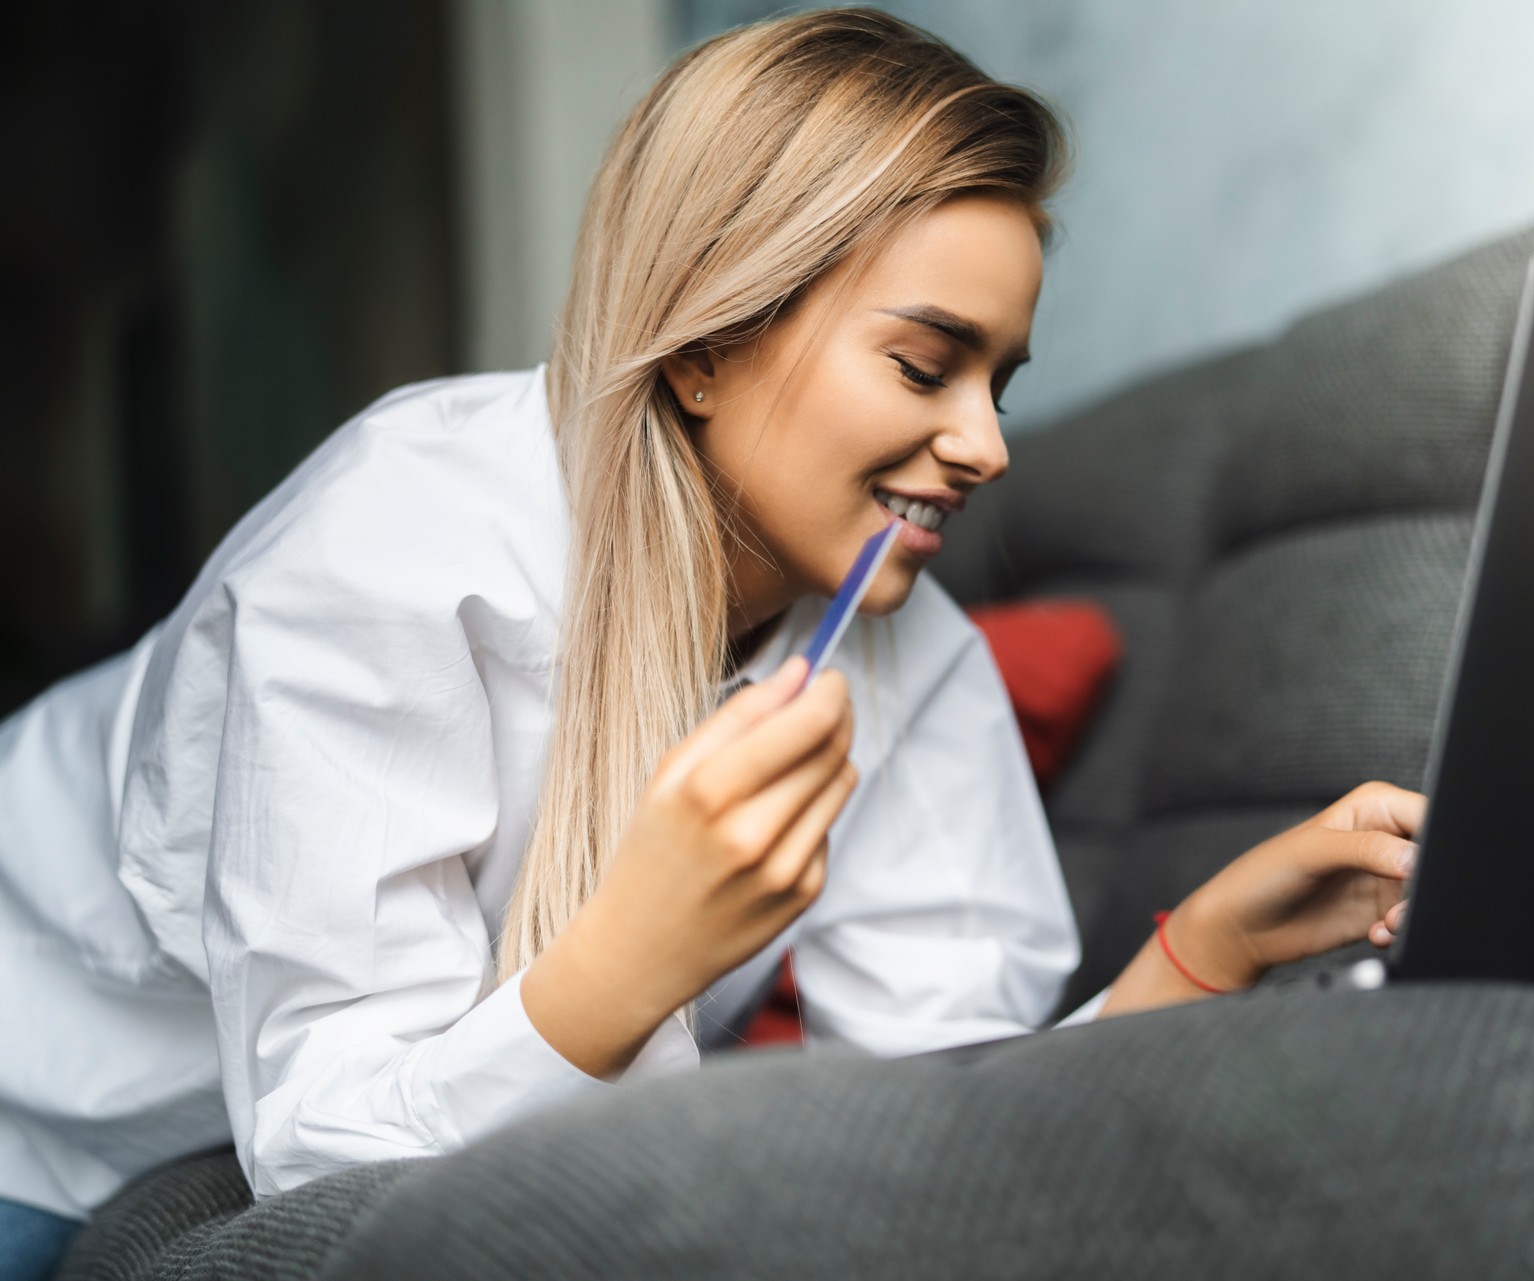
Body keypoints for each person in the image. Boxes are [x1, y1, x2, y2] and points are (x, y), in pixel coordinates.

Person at [0, 10, 1422, 1277]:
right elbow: (324, 1158)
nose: (987, 443)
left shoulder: (907, 660)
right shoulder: (390, 557)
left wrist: (1205, 950)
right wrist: (629, 958)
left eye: (1001, 378)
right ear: (700, 348)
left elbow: (941, 1131)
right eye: (927, 366)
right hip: (35, 1105)